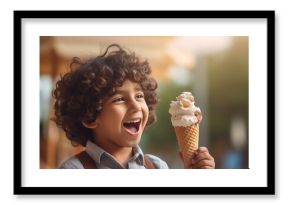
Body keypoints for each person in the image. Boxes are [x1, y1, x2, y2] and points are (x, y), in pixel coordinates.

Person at [53, 44, 215, 169]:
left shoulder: (157, 167)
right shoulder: (73, 171)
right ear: (90, 117)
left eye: (139, 96)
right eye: (119, 99)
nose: (135, 106)